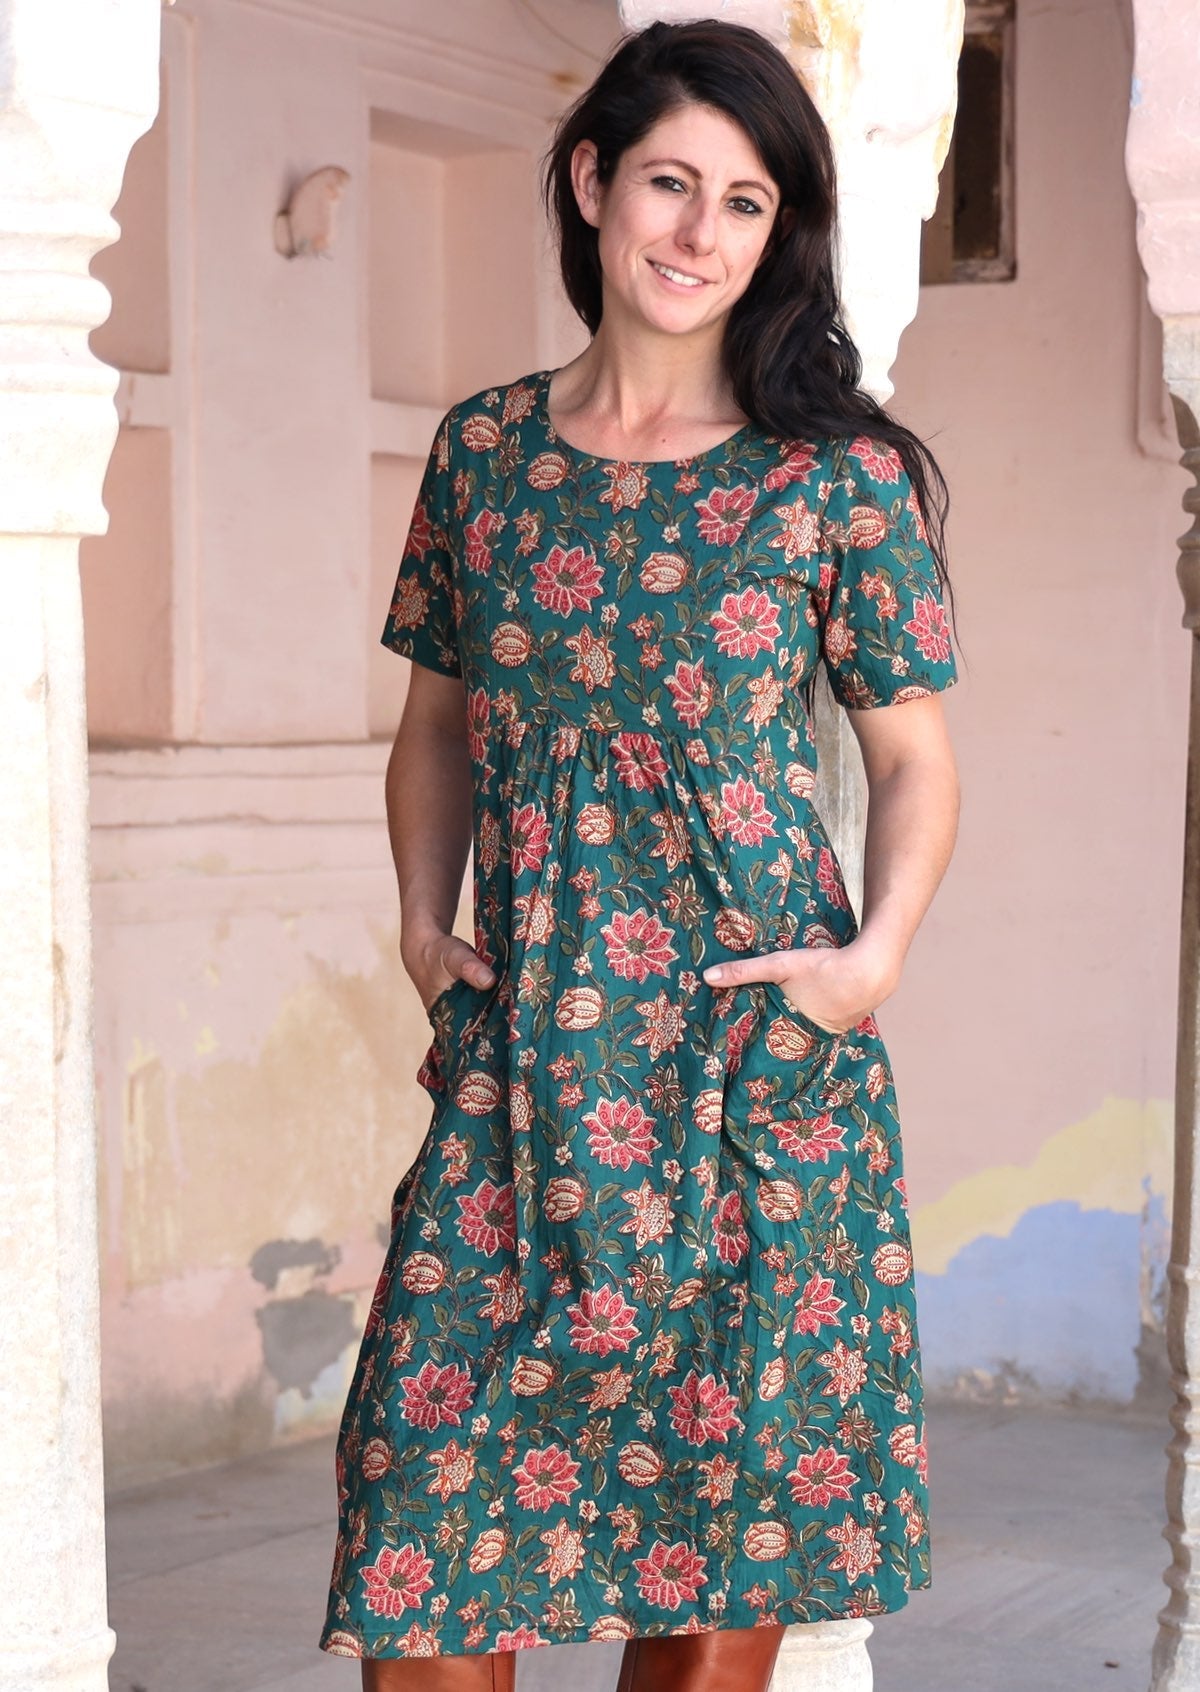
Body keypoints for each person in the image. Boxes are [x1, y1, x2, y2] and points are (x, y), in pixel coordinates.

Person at [320, 17, 960, 1691]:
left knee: (714, 1566)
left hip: (752, 1073)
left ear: (779, 236)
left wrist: (867, 962)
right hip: (522, 1069)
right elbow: (432, 727)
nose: (698, 234)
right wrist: (416, 920)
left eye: (745, 204)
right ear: (596, 183)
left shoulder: (839, 478)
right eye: (671, 183)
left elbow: (911, 762)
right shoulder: (484, 453)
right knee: (422, 1545)